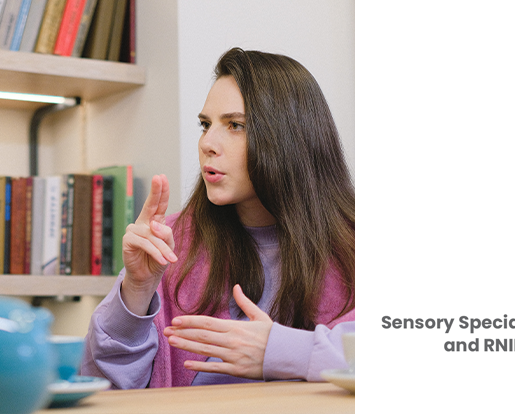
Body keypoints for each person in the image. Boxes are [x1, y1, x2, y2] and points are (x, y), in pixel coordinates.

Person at [81, 48, 355, 389]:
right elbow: (101, 386)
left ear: (289, 137)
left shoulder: (354, 246)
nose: (207, 142)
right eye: (205, 125)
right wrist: (136, 290)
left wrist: (278, 351)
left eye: (235, 125)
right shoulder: (170, 241)